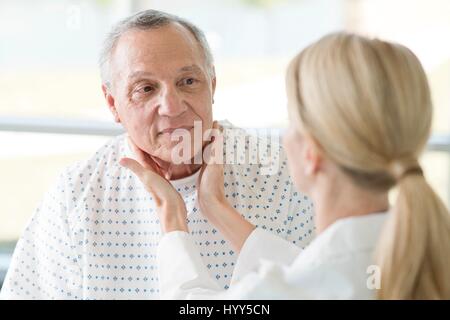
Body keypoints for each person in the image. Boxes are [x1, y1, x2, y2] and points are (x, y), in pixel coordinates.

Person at [0, 10, 314, 300]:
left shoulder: (283, 174)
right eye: (146, 88)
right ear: (112, 104)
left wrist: (215, 208)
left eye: (188, 82)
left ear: (213, 85)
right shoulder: (76, 195)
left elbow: (326, 286)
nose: (172, 106)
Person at [124, 32, 450, 299]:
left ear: (312, 153)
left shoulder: (283, 292)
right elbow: (323, 276)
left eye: (291, 121)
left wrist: (172, 215)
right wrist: (216, 206)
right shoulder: (420, 261)